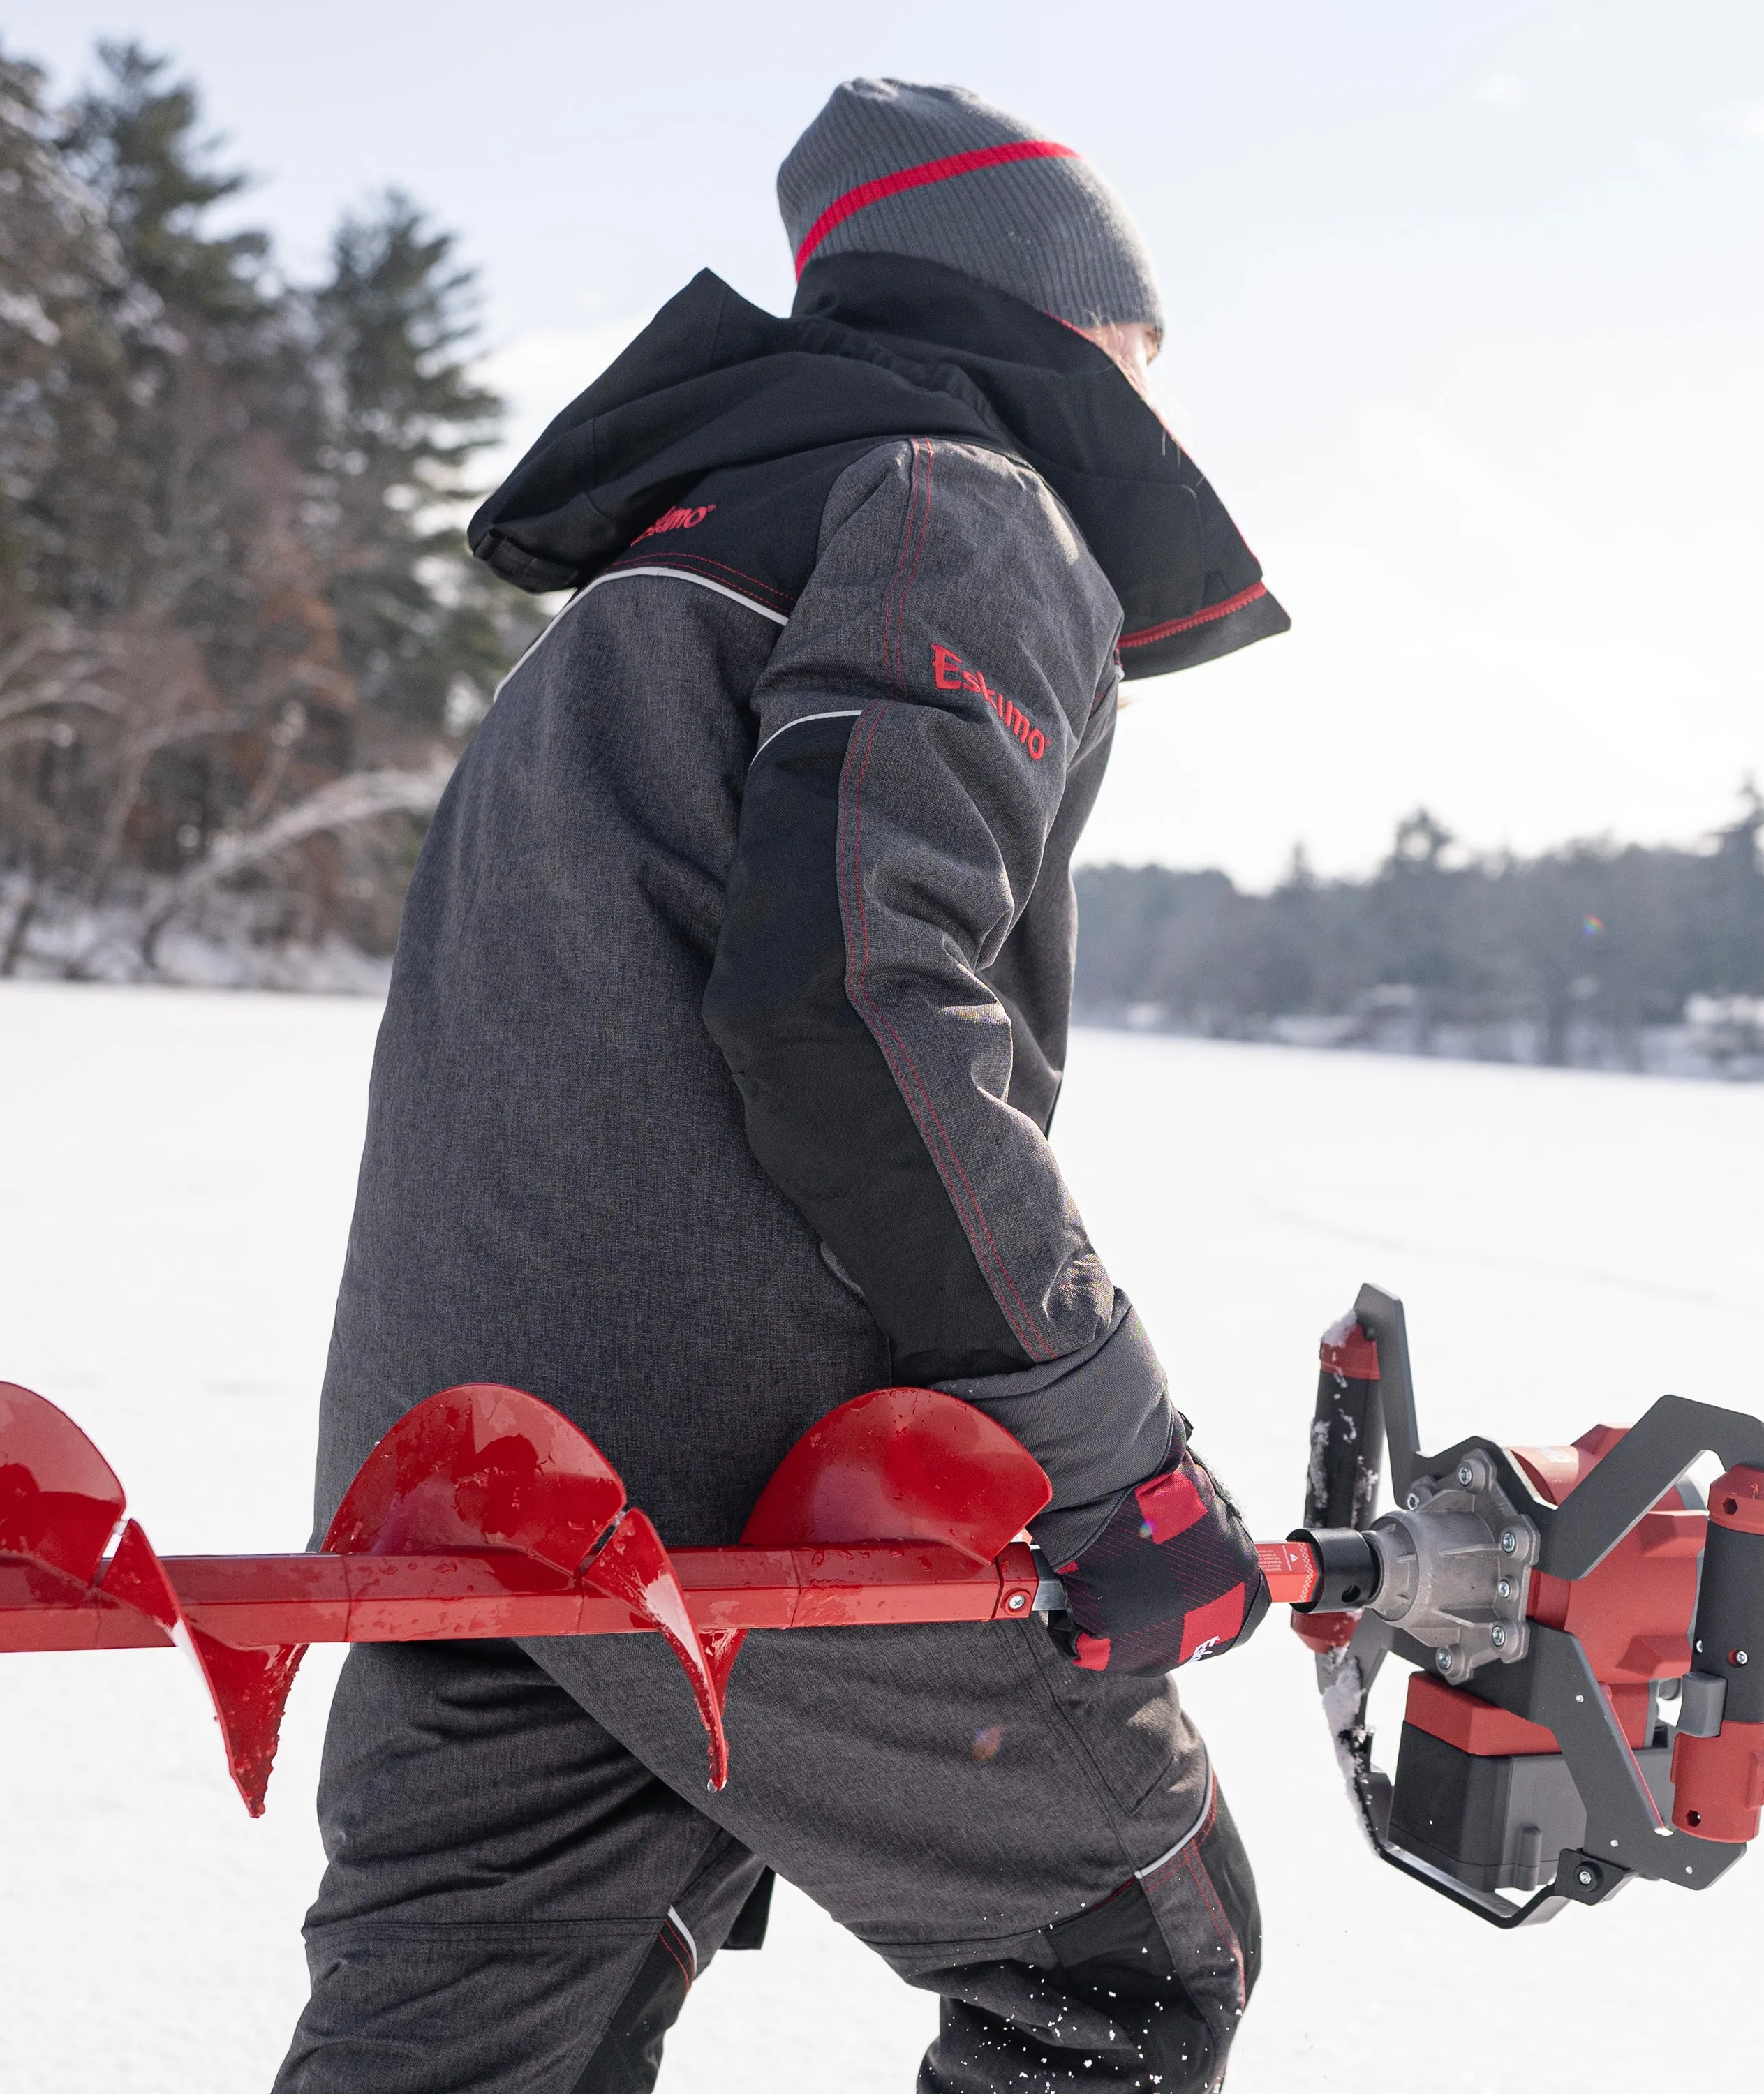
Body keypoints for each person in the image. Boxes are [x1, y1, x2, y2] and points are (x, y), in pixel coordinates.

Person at [277, 77, 1289, 2094]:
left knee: (459, 2059)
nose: (1163, 399)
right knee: (1127, 1965)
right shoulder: (959, 500)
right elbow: (857, 995)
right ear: (1059, 317)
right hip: (719, 1478)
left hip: (458, 1460)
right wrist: (1111, 1456)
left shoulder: (642, 579)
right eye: (1149, 345)